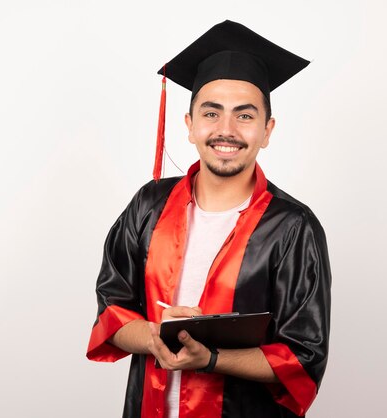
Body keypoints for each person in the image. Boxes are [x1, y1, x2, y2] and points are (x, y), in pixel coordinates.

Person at [86, 20, 331, 418]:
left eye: (245, 116)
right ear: (189, 125)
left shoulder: (292, 228)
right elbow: (112, 312)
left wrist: (211, 358)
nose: (226, 130)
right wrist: (154, 335)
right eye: (211, 112)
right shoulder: (148, 206)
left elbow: (302, 357)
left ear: (267, 131)